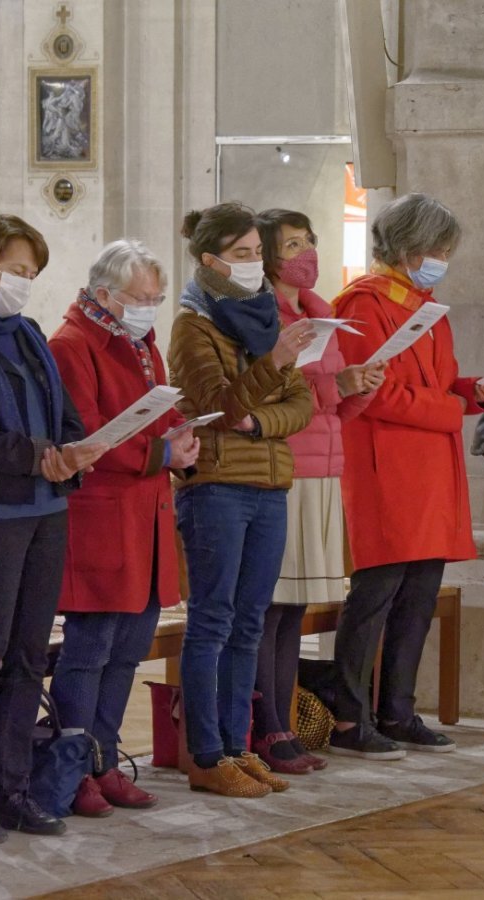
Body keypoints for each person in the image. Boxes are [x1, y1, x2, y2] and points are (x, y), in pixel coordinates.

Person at [0, 213, 105, 843]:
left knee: (31, 656)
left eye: (33, 272)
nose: (25, 283)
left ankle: (11, 788)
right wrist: (38, 454)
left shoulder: (28, 332)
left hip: (45, 508)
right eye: (17, 269)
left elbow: (63, 411)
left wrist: (72, 447)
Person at [329, 193, 484, 760]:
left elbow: (435, 382)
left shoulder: (424, 307)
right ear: (405, 247)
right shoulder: (362, 304)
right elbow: (373, 391)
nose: (441, 259)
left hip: (427, 470)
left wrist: (471, 393)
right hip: (386, 467)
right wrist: (449, 410)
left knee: (419, 595)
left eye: (446, 250)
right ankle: (352, 716)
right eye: (435, 249)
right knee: (376, 594)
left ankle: (398, 709)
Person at [48, 240, 200, 816]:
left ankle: (105, 762)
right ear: (105, 294)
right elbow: (85, 433)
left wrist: (183, 437)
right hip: (102, 517)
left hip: (148, 518)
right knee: (89, 651)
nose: (150, 309)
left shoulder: (141, 345)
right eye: (141, 298)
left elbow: (158, 417)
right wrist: (160, 451)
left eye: (157, 299)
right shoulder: (71, 345)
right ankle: (72, 769)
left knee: (127, 650)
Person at [168, 202, 316, 797]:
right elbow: (218, 406)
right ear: (211, 262)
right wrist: (273, 365)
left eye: (258, 253)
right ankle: (206, 754)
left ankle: (237, 744)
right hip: (217, 489)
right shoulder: (192, 325)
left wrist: (260, 424)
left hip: (269, 484)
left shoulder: (264, 317)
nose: (255, 264)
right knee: (212, 621)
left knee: (249, 623)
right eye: (242, 255)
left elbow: (302, 404)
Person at [250, 209, 384, 775]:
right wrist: (335, 385)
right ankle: (267, 727)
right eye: (294, 244)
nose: (307, 253)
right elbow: (281, 392)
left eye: (310, 241)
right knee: (269, 608)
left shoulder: (321, 312)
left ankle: (285, 722)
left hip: (323, 469)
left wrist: (360, 388)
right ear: (265, 256)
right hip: (284, 469)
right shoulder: (264, 316)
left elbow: (331, 406)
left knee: (295, 608)